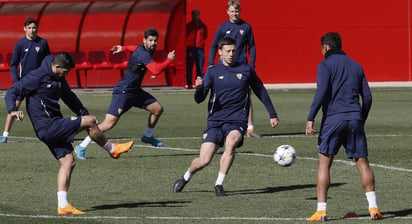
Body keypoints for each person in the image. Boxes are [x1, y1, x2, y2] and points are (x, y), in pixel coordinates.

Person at [5, 52, 134, 215]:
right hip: (47, 126)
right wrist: (12, 110)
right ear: (56, 66)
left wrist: (83, 112)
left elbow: (69, 97)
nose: (67, 75)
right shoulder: (37, 76)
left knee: (69, 161)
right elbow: (13, 91)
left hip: (53, 125)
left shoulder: (58, 78)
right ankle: (111, 149)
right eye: (65, 72)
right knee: (90, 121)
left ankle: (63, 205)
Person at [172, 37, 279, 196]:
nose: (231, 54)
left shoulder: (246, 70)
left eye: (233, 51)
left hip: (237, 120)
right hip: (215, 121)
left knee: (231, 142)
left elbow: (260, 90)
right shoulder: (213, 72)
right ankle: (185, 177)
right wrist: (199, 88)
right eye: (227, 51)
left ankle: (219, 184)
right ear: (220, 52)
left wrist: (272, 113)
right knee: (204, 160)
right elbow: (199, 99)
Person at [305, 32, 383, 222]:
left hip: (333, 119)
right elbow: (369, 98)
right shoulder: (356, 65)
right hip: (354, 118)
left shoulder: (324, 65)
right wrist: (360, 118)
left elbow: (321, 91)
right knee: (362, 162)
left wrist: (310, 118)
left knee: (324, 163)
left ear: (325, 47)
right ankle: (374, 208)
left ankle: (321, 211)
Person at [75, 28, 175, 160]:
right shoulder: (144, 54)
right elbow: (155, 71)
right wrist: (169, 60)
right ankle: (82, 146)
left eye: (155, 41)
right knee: (109, 123)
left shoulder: (144, 49)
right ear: (144, 40)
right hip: (123, 92)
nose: (153, 43)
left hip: (135, 91)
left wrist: (123, 48)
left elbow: (135, 48)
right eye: (150, 40)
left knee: (157, 109)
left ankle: (148, 135)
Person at [208, 0, 259, 138]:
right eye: (231, 11)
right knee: (222, 95)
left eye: (236, 11)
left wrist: (252, 63)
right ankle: (220, 123)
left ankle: (250, 126)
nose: (234, 14)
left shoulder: (246, 27)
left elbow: (252, 45)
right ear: (227, 12)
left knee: (247, 95)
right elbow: (214, 45)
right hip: (224, 67)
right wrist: (210, 64)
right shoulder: (223, 27)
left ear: (240, 11)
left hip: (241, 66)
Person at [0, 17, 50, 143]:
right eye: (29, 28)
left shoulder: (43, 43)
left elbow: (48, 62)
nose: (32, 30)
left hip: (39, 83)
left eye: (34, 28)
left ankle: (48, 132)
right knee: (14, 107)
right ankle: (5, 135)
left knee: (43, 107)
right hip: (23, 82)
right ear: (24, 29)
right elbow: (13, 65)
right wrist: (16, 82)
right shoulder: (20, 44)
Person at [185, 9, 207, 89]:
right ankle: (189, 83)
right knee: (189, 66)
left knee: (200, 66)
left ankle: (198, 83)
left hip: (200, 49)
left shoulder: (202, 26)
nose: (196, 16)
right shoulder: (189, 26)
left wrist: (202, 43)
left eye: (197, 14)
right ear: (192, 15)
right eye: (194, 14)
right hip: (190, 48)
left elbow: (205, 36)